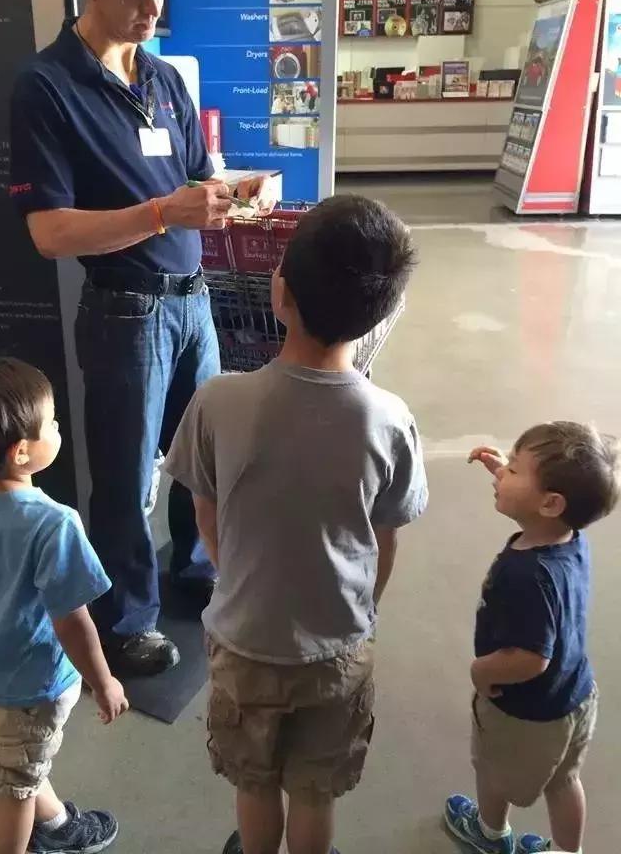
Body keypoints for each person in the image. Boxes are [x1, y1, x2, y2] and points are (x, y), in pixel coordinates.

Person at [9, 0, 275, 675]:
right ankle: (125, 620)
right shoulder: (45, 88)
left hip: (193, 304)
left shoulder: (162, 78)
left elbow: (198, 177)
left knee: (206, 459)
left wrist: (231, 192)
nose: (153, 3)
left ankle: (196, 574)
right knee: (124, 480)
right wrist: (165, 212)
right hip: (124, 313)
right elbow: (49, 232)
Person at [165, 195, 429, 854]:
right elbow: (384, 537)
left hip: (245, 638)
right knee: (316, 789)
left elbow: (205, 511)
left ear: (279, 290)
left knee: (254, 783)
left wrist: (243, 579)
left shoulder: (218, 400)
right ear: (385, 312)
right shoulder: (389, 418)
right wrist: (359, 611)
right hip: (336, 646)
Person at [0, 357, 128, 854]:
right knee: (15, 789)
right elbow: (72, 621)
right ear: (22, 452)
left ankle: (57, 824)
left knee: (18, 762)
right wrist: (103, 682)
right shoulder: (54, 524)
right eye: (52, 424)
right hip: (26, 689)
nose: (58, 428)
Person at [445, 423, 621, 854]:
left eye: (514, 469)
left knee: (491, 768)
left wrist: (481, 671)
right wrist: (507, 470)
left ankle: (488, 833)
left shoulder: (526, 575)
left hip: (525, 710)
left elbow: (530, 658)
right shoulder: (569, 539)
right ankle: (566, 852)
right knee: (564, 780)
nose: (502, 473)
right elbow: (538, 500)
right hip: (574, 696)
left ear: (550, 502)